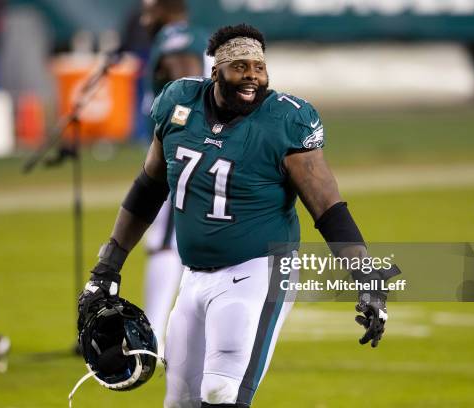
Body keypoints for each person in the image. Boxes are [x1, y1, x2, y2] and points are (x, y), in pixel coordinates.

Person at [79, 24, 396, 407]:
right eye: (240, 67)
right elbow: (148, 188)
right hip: (194, 277)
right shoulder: (178, 104)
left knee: (221, 390)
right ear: (216, 71)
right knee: (179, 400)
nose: (251, 76)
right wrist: (107, 266)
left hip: (259, 272)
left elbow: (327, 206)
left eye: (259, 67)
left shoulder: (285, 120)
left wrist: (365, 276)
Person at [138, 0, 212, 352]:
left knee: (165, 240)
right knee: (178, 239)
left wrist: (180, 124)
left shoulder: (174, 37)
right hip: (209, 146)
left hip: (185, 149)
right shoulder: (201, 36)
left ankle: (153, 335)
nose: (143, 18)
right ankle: (182, 330)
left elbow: (187, 72)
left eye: (148, 10)